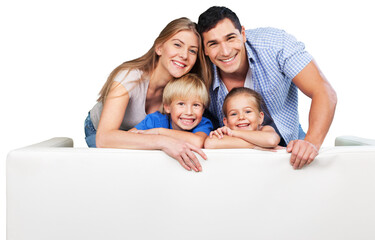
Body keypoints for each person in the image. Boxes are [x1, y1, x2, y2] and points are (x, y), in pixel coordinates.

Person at [197, 6, 337, 169]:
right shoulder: (198, 70)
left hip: (288, 148)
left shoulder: (275, 45)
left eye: (230, 38)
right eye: (213, 44)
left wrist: (311, 143)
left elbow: (323, 91)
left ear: (243, 34)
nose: (226, 51)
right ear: (204, 49)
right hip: (231, 153)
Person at [84, 17, 211, 172]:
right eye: (177, 44)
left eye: (192, 51)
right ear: (159, 47)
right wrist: (163, 141)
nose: (184, 55)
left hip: (142, 133)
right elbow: (104, 139)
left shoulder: (182, 89)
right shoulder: (130, 77)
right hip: (100, 130)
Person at [130, 73, 213, 149]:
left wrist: (159, 132)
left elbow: (197, 142)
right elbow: (129, 136)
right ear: (167, 107)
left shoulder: (203, 123)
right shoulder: (155, 120)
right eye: (181, 104)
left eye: (196, 105)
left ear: (203, 110)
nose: (189, 112)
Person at [204, 87, 280, 150]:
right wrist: (258, 145)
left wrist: (234, 133)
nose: (241, 117)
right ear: (226, 122)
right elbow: (209, 143)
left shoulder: (264, 129)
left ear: (260, 118)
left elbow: (271, 141)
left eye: (248, 111)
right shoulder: (224, 133)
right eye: (234, 114)